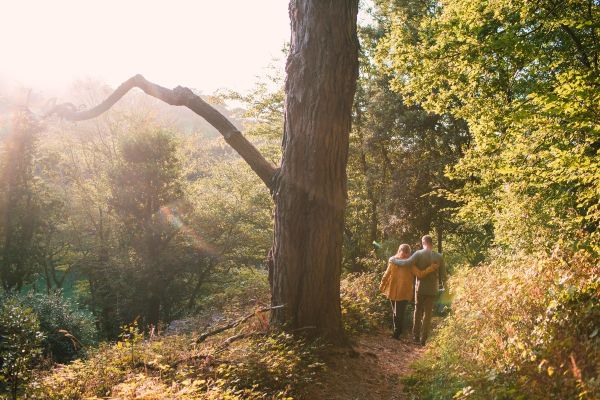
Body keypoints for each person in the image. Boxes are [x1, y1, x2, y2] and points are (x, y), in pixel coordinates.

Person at [389, 235, 447, 345]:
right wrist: (446, 290)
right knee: (428, 314)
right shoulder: (439, 257)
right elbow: (443, 276)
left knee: (418, 311)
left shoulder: (418, 254)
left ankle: (415, 336)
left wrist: (394, 260)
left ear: (423, 242)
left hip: (419, 289)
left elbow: (406, 263)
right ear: (432, 243)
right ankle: (423, 339)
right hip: (432, 290)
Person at [380, 243, 439, 340]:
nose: (405, 256)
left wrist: (431, 268)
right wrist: (382, 285)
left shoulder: (410, 264)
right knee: (395, 312)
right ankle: (397, 331)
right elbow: (387, 274)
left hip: (404, 292)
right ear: (399, 251)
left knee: (399, 313)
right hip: (392, 290)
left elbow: (419, 274)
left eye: (407, 255)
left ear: (409, 254)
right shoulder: (392, 261)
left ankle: (397, 333)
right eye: (403, 254)